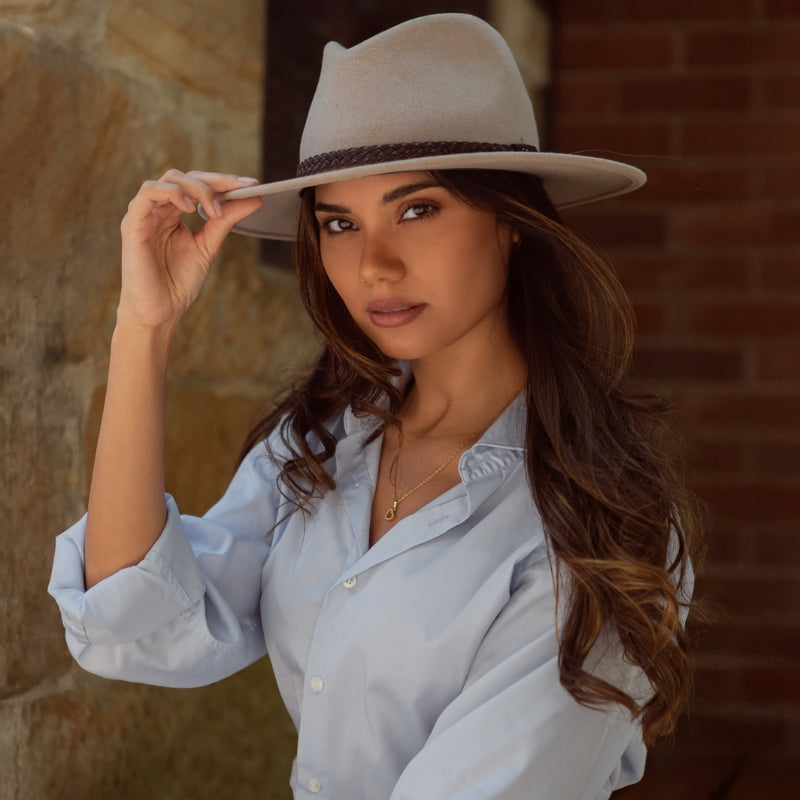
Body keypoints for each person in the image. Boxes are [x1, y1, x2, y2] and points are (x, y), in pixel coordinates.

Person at [49, 13, 702, 800]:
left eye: (418, 210)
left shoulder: (595, 517)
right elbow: (140, 623)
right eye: (339, 223)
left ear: (511, 222)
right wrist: (143, 328)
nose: (374, 266)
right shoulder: (325, 441)